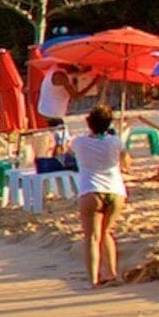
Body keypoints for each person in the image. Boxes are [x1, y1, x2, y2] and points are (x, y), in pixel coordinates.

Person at [68, 102, 132, 285]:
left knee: (92, 237)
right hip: (115, 190)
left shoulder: (80, 142)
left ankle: (93, 279)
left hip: (91, 189)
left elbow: (69, 150)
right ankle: (111, 273)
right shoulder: (116, 142)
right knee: (107, 233)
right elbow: (127, 162)